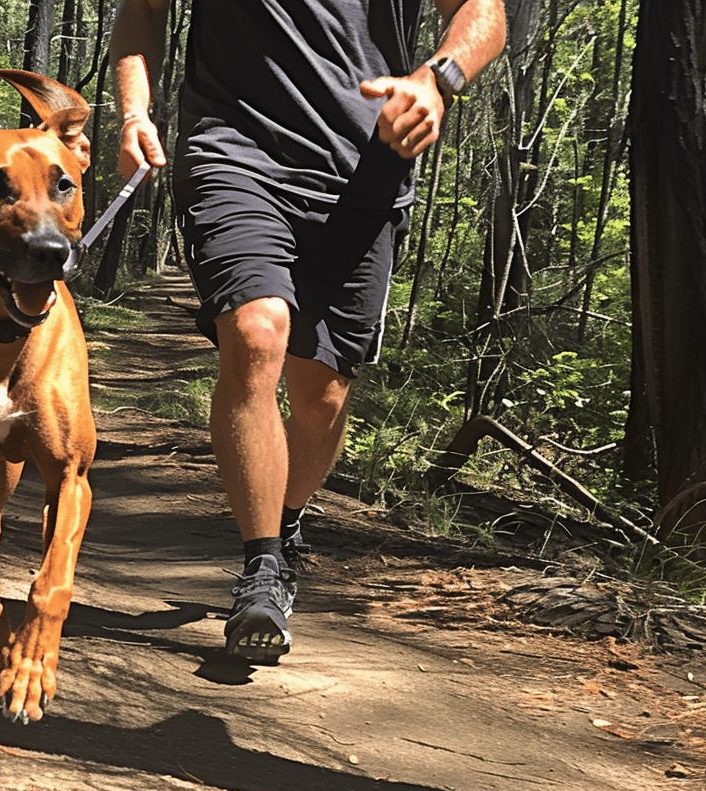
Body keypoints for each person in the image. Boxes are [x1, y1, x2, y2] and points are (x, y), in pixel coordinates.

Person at [110, 0, 507, 661]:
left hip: (364, 174)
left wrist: (439, 78)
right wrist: (134, 112)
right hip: (233, 150)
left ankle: (287, 521)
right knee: (256, 331)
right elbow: (143, 12)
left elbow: (485, 12)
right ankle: (262, 569)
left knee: (321, 395)